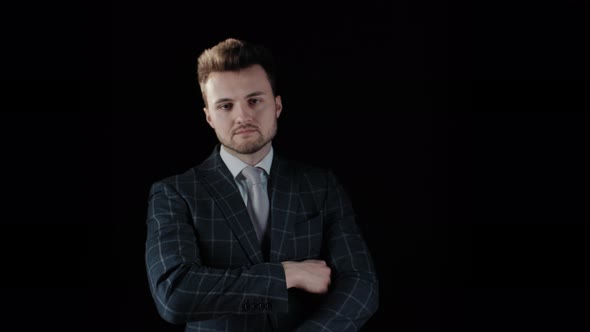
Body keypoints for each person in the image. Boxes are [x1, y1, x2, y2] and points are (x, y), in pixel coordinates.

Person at [145, 38, 379, 331]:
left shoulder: (321, 185)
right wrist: (284, 276)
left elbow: (361, 285)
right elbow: (174, 295)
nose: (243, 116)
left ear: (277, 105)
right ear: (209, 117)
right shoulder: (174, 193)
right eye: (226, 106)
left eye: (254, 100)